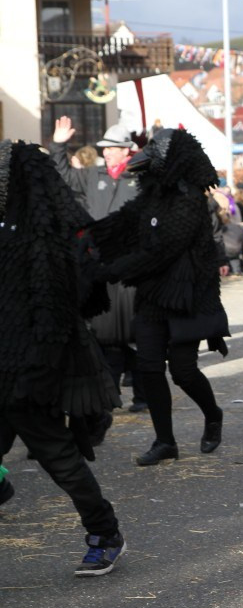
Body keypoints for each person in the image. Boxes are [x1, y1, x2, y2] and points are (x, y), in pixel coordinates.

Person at [0, 138, 127, 575]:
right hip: (4, 364)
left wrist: (36, 374)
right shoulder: (6, 230)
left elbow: (55, 310)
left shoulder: (44, 238)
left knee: (60, 460)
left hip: (35, 369)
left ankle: (105, 532)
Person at [89, 129, 230, 467]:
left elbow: (161, 251)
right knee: (149, 368)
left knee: (183, 371)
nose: (147, 152)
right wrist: (86, 234)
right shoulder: (152, 194)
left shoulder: (189, 199)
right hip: (152, 295)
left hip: (186, 297)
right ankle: (165, 441)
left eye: (155, 147)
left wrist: (112, 270)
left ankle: (213, 414)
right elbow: (123, 221)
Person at [49, 118, 147, 415]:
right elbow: (62, 174)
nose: (106, 152)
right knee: (104, 334)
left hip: (130, 267)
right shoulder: (93, 176)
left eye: (112, 149)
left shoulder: (141, 179)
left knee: (136, 334)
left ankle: (142, 394)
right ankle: (111, 393)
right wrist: (58, 144)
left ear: (126, 151)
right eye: (104, 148)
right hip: (98, 264)